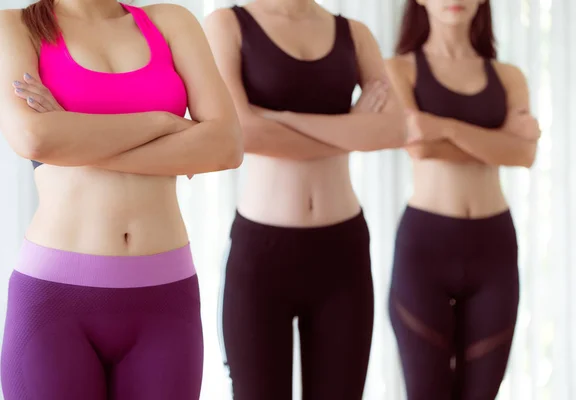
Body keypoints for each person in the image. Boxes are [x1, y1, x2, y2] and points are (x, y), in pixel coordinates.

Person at [0, 0, 242, 398]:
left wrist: (75, 138)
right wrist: (162, 123)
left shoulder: (171, 21)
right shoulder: (19, 26)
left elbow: (226, 145)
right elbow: (34, 139)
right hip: (56, 301)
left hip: (165, 300)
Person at [203, 0, 406, 398]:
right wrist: (351, 127)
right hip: (262, 255)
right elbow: (241, 134)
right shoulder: (226, 24)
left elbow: (395, 130)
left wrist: (280, 118)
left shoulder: (355, 34)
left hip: (342, 253)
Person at [384, 0, 541, 399]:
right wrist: (498, 138)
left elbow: (523, 155)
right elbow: (417, 146)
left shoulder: (509, 77)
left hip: (493, 250)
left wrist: (442, 127)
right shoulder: (398, 69)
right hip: (425, 248)